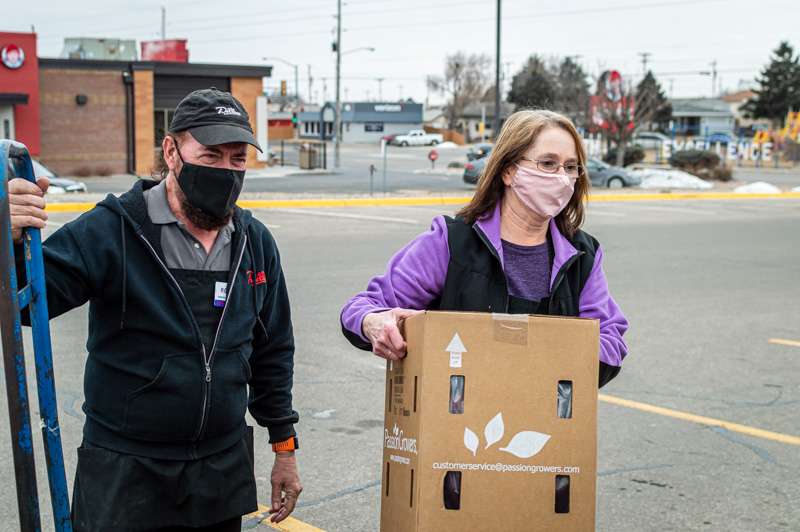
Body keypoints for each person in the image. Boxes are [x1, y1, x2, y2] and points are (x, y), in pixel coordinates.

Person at [9, 88, 302, 531]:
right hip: (126, 472)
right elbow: (25, 302)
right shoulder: (113, 230)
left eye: (237, 159)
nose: (225, 170)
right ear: (171, 151)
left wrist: (284, 449)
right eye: (210, 155)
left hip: (219, 472)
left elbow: (273, 351)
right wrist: (9, 241)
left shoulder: (254, 242)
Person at [340, 109, 628, 387]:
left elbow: (610, 339)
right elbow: (364, 307)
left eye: (570, 167)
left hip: (546, 417)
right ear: (508, 171)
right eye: (548, 163)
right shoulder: (451, 242)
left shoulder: (582, 255)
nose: (562, 178)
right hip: (458, 415)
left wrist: (548, 353)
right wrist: (373, 323)